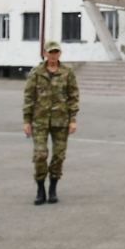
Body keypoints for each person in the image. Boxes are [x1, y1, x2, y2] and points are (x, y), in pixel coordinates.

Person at [23, 40, 80, 205]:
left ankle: (53, 188)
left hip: (61, 121)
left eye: (56, 52)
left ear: (59, 54)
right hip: (39, 120)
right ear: (45, 54)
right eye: (50, 52)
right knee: (40, 155)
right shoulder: (36, 73)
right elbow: (29, 97)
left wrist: (73, 120)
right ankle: (40, 189)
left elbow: (73, 96)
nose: (53, 55)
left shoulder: (67, 72)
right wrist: (27, 121)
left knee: (58, 156)